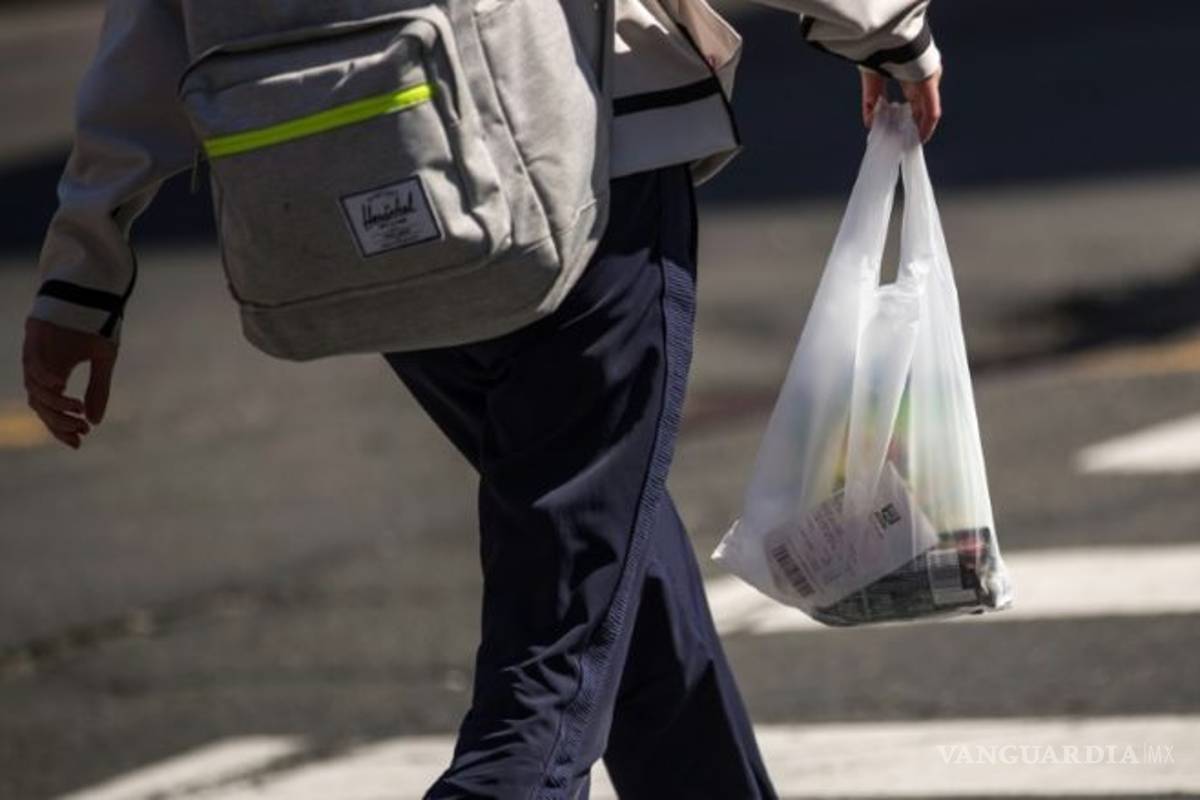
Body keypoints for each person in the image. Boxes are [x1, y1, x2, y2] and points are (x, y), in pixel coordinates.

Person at [21, 1, 942, 797]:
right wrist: (889, 31)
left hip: (365, 211)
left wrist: (83, 269)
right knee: (554, 657)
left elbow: (148, 31)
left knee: (611, 564)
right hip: (579, 189)